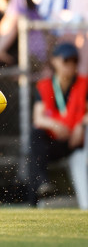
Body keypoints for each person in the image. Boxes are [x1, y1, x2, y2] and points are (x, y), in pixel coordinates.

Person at [27, 42, 88, 207]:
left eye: (74, 61)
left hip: (77, 141)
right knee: (36, 137)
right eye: (66, 60)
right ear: (55, 61)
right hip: (55, 140)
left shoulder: (84, 83)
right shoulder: (45, 86)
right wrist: (54, 125)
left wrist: (81, 125)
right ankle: (41, 187)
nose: (70, 65)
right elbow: (38, 118)